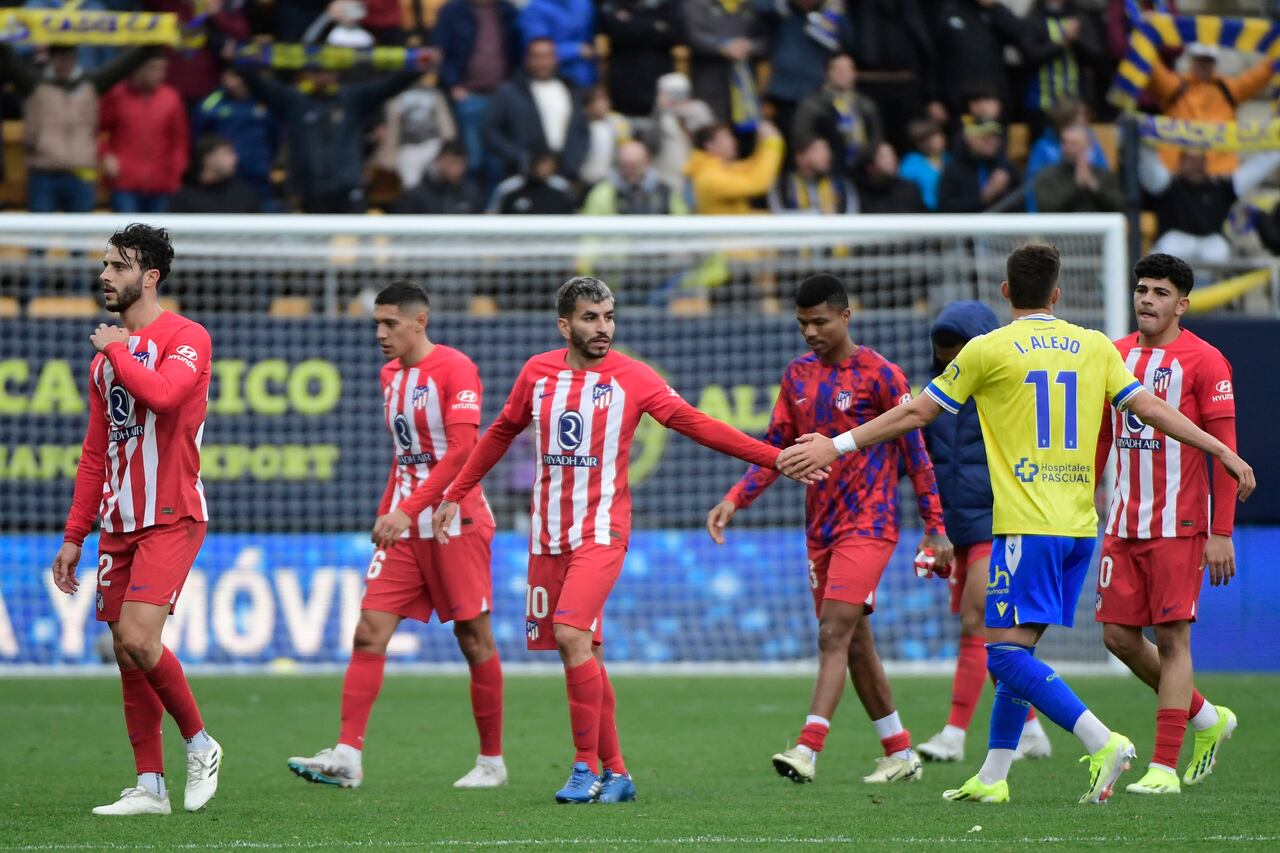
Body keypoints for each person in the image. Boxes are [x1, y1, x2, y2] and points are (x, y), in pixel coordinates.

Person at [777, 243, 1255, 804]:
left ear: (1005, 292)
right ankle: (993, 775)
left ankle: (1101, 740)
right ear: (1057, 293)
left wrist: (835, 444)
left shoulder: (988, 348)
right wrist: (1220, 450)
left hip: (1027, 527)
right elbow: (1149, 408)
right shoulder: (1095, 345)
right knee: (1017, 653)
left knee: (1001, 654)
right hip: (1079, 529)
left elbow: (917, 412)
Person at [432, 276, 816, 804]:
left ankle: (584, 767)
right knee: (585, 651)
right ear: (564, 325)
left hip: (602, 531)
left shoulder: (634, 377)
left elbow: (697, 424)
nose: (603, 328)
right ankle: (617, 774)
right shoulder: (537, 373)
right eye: (591, 318)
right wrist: (457, 491)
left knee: (570, 635)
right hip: (548, 535)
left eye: (609, 317)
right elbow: (500, 431)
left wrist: (775, 458)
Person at [706, 273, 951, 785]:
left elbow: (916, 455)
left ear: (845, 316)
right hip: (820, 528)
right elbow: (776, 450)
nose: (811, 332)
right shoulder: (797, 375)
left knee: (832, 630)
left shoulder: (881, 374)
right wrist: (735, 498)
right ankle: (901, 753)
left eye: (820, 321)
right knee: (854, 642)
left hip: (870, 522)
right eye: (803, 323)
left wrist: (935, 526)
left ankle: (807, 748)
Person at [287, 282, 505, 791]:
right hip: (406, 529)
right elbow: (405, 456)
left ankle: (492, 761)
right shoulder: (390, 375)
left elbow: (463, 450)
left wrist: (406, 511)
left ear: (420, 321)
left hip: (454, 523)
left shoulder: (455, 368)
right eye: (376, 325)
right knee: (369, 631)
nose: (381, 334)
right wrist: (390, 510)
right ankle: (347, 756)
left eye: (390, 324)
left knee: (473, 638)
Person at [52, 223, 221, 816]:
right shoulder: (105, 362)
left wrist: (118, 350)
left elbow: (166, 396)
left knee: (139, 639)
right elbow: (95, 453)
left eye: (118, 266)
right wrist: (75, 535)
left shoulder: (186, 337)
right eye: (105, 264)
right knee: (126, 654)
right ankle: (150, 787)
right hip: (118, 521)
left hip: (172, 513)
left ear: (150, 277)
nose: (105, 275)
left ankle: (201, 744)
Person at [1094, 253, 1239, 795]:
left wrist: (1221, 531)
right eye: (1142, 289)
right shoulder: (1115, 354)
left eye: (1160, 292)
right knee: (1117, 636)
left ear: (1182, 304)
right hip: (1123, 520)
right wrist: (1087, 491)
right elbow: (1104, 433)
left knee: (1173, 638)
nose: (1147, 300)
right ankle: (1206, 718)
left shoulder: (1206, 361)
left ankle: (1163, 768)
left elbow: (1226, 452)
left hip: (1179, 523)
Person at [915, 301, 1052, 764]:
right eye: (943, 359)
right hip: (955, 530)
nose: (952, 367)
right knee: (992, 636)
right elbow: (921, 463)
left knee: (979, 624)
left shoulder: (1012, 393)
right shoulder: (933, 398)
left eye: (958, 355)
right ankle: (1030, 729)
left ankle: (954, 735)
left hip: (1001, 524)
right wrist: (933, 527)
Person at [241, 65, 429, 213]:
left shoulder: (351, 98)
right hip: (307, 191)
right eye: (316, 72)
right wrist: (240, 65)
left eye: (327, 71)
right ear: (307, 75)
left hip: (347, 189)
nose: (322, 77)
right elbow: (260, 87)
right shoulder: (293, 101)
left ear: (335, 74)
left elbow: (388, 86)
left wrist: (418, 68)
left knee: (356, 243)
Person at [0, 43, 157, 213]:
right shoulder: (34, 83)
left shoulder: (90, 83)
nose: (65, 64)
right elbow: (9, 59)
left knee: (81, 229)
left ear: (75, 58)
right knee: (39, 229)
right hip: (43, 171)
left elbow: (122, 66)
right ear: (51, 59)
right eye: (60, 59)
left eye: (69, 58)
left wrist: (153, 43)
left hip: (81, 172)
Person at [1146, 42, 1275, 176]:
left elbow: (1260, 75)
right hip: (1176, 172)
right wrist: (1141, 42)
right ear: (1192, 60)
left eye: (1208, 60)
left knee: (1271, 156)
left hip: (1220, 173)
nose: (1204, 64)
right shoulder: (1175, 86)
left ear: (1214, 62)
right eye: (1200, 59)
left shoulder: (1228, 89)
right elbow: (1151, 67)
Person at [432, 0, 521, 191]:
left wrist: (512, 88)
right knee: (472, 160)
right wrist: (453, 84)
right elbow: (439, 53)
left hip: (501, 96)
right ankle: (467, 204)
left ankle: (493, 206)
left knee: (498, 162)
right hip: (468, 96)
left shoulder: (507, 11)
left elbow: (517, 51)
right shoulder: (452, 12)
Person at [1139, 147, 1280, 267]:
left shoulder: (1220, 188)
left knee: (1219, 250)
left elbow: (1257, 169)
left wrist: (1276, 148)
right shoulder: (1168, 185)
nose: (1196, 166)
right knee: (1165, 252)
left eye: (1200, 160)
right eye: (1190, 160)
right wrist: (1145, 140)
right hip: (1175, 241)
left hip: (1210, 244)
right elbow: (1149, 160)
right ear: (1180, 163)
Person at [483, 37, 590, 181]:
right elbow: (490, 131)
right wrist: (520, 158)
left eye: (547, 56)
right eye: (537, 57)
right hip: (522, 177)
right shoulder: (509, 91)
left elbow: (582, 129)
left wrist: (573, 162)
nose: (542, 63)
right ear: (527, 59)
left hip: (565, 173)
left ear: (555, 59)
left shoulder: (570, 88)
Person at [99, 56, 189, 213]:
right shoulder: (117, 95)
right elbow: (98, 130)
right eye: (154, 68)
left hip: (161, 184)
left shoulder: (171, 98)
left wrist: (176, 175)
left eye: (162, 69)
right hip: (124, 181)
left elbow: (179, 141)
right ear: (138, 69)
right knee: (127, 227)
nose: (160, 74)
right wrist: (106, 155)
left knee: (157, 228)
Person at [194, 68, 281, 205]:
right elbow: (199, 138)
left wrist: (268, 164)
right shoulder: (211, 103)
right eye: (232, 76)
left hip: (258, 176)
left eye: (240, 77)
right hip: (222, 179)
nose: (236, 83)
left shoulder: (266, 100)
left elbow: (276, 137)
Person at [790, 53, 882, 179]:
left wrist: (866, 155)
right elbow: (803, 136)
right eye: (838, 69)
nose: (843, 74)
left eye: (848, 69)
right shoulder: (813, 104)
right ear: (828, 73)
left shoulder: (866, 105)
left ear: (854, 73)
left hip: (863, 167)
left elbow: (876, 136)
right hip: (828, 168)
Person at [597, 0, 681, 117]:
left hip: (658, 82)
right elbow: (617, 32)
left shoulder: (666, 5)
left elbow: (676, 35)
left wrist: (633, 21)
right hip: (625, 86)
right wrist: (654, 25)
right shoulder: (614, 5)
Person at [685, 121, 785, 214]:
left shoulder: (721, 168)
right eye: (726, 137)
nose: (734, 142)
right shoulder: (709, 177)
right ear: (710, 146)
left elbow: (752, 167)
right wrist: (772, 142)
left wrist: (763, 143)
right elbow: (758, 182)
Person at [581, 140, 689, 215]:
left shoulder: (664, 192)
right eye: (625, 165)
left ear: (647, 162)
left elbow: (683, 225)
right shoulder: (601, 193)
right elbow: (590, 234)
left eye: (635, 165)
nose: (630, 171)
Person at [1033, 124, 1123, 213]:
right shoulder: (1047, 175)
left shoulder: (1104, 175)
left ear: (1088, 146)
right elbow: (1046, 208)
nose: (1067, 148)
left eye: (1074, 143)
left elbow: (1120, 207)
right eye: (1064, 142)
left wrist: (1095, 187)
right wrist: (1075, 185)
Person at [938, 117, 1020, 213]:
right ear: (968, 139)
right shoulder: (953, 170)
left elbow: (1022, 205)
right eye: (984, 137)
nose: (991, 141)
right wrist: (983, 198)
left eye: (994, 136)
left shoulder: (1007, 169)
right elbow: (946, 208)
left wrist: (1005, 192)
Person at [169, 136, 263, 214]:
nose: (234, 159)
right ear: (207, 159)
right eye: (226, 153)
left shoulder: (245, 195)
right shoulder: (184, 198)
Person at [768, 137, 855, 214]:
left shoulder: (840, 184)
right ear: (800, 157)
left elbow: (851, 214)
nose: (826, 155)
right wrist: (820, 214)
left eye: (826, 150)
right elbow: (779, 215)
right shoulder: (783, 185)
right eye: (817, 150)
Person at [392, 142, 484, 215]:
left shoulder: (470, 192)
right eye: (452, 162)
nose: (456, 168)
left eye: (461, 163)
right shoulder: (416, 196)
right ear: (439, 160)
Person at [487, 148, 578, 214]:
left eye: (550, 162)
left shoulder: (563, 187)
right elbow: (491, 215)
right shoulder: (508, 188)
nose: (547, 167)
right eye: (543, 161)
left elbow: (574, 216)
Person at [854, 142, 926, 214]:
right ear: (870, 167)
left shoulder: (910, 190)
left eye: (892, 155)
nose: (892, 160)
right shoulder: (858, 194)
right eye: (884, 157)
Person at [898, 118, 949, 212]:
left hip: (949, 212)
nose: (938, 141)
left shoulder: (949, 159)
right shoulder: (911, 162)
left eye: (939, 136)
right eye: (931, 138)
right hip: (922, 213)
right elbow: (904, 190)